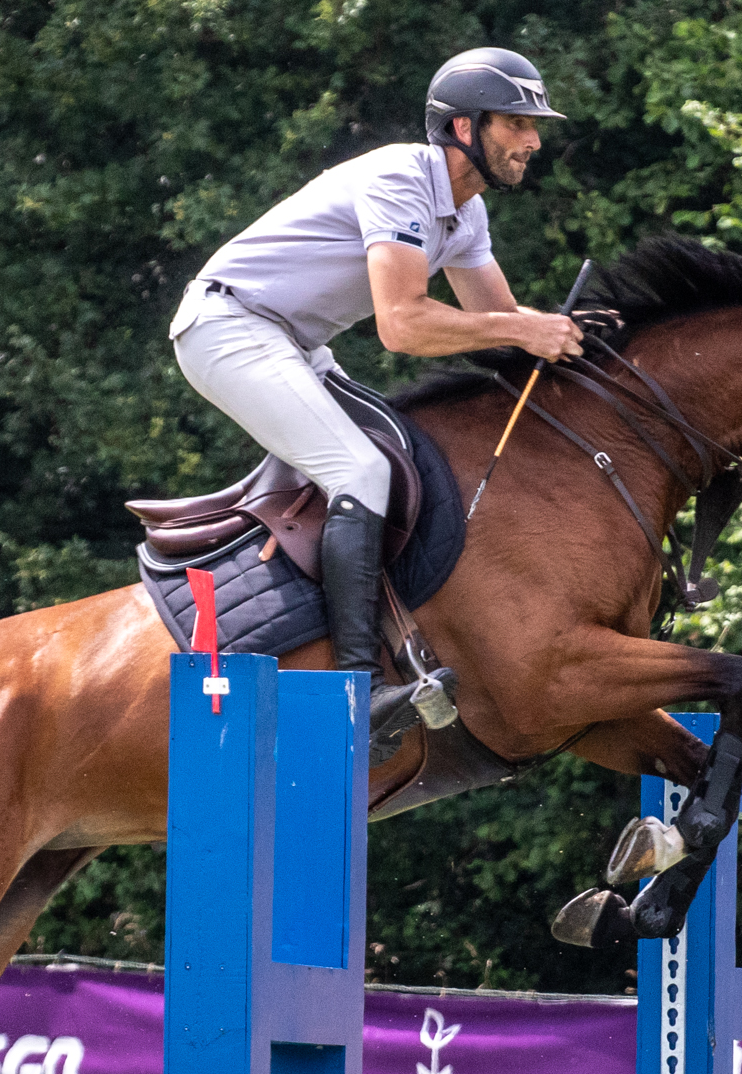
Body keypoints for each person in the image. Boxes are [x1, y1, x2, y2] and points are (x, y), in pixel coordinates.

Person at [170, 47, 587, 736]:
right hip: (227, 326)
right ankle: (357, 686)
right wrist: (526, 329)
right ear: (463, 128)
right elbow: (402, 325)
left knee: (404, 457)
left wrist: (579, 338)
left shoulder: (466, 213)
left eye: (532, 126)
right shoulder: (400, 177)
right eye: (516, 123)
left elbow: (500, 326)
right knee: (360, 470)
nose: (533, 141)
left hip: (290, 341)